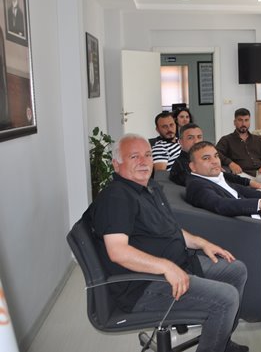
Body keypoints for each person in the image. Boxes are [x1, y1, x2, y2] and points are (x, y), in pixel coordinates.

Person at [83, 134, 250, 352]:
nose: (143, 162)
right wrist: (166, 267)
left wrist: (201, 243)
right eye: (134, 157)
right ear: (116, 164)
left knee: (236, 270)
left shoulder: (148, 188)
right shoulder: (117, 198)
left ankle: (221, 341)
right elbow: (118, 251)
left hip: (178, 264)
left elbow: (169, 229)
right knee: (226, 298)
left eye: (147, 155)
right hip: (145, 284)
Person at [186, 141, 261, 217]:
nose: (215, 161)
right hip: (248, 224)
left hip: (253, 214)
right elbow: (219, 204)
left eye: (216, 156)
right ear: (193, 166)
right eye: (206, 158)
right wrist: (259, 203)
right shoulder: (196, 185)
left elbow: (236, 188)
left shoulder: (213, 177)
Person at [170, 123, 261, 195]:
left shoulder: (200, 161)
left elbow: (224, 175)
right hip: (226, 198)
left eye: (199, 137)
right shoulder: (181, 166)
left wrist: (249, 182)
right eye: (190, 138)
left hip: (233, 191)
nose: (196, 141)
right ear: (180, 142)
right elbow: (213, 186)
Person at [216, 108, 261, 200]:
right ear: (234, 122)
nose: (243, 123)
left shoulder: (257, 139)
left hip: (260, 173)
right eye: (240, 120)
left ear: (249, 122)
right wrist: (230, 163)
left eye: (246, 120)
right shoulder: (226, 140)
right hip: (241, 174)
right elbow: (216, 153)